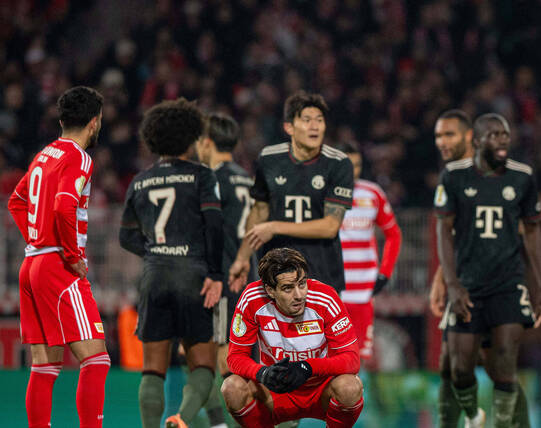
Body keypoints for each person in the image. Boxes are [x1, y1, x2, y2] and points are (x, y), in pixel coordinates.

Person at [435, 113, 541, 428]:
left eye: (505, 135)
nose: (502, 140)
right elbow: (444, 231)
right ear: (476, 141)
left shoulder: (522, 177)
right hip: (468, 285)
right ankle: (473, 416)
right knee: (459, 369)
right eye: (494, 135)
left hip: (508, 285)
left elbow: (533, 232)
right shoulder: (454, 176)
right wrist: (452, 283)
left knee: (504, 364)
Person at [8, 86, 110, 428]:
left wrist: (37, 238)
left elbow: (16, 201)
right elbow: (65, 204)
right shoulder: (80, 157)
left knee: (45, 364)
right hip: (56, 267)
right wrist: (70, 254)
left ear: (63, 119)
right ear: (94, 123)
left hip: (32, 264)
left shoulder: (44, 154)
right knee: (96, 359)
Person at [118, 98, 224, 428]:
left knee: (153, 369)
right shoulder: (202, 176)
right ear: (191, 137)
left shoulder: (140, 181)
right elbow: (215, 226)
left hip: (154, 276)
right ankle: (182, 418)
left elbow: (125, 237)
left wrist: (154, 252)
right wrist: (216, 273)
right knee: (203, 366)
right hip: (193, 274)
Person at [221, 247, 364, 427]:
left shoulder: (326, 297)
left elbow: (352, 360)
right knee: (231, 387)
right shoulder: (252, 299)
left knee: (350, 386)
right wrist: (262, 373)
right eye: (288, 288)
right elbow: (235, 357)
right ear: (270, 290)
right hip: (276, 391)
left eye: (302, 283)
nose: (299, 295)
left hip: (321, 390)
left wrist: (308, 367)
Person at [229, 91, 354, 293]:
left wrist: (275, 227)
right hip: (275, 274)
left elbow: (330, 226)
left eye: (319, 120)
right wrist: (243, 258)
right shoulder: (269, 159)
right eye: (306, 120)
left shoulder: (338, 163)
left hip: (321, 275)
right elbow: (259, 212)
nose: (314, 126)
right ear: (289, 127)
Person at [194, 112, 255, 428]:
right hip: (250, 277)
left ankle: (228, 423)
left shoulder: (213, 178)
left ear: (207, 142)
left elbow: (210, 228)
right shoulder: (247, 178)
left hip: (225, 276)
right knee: (239, 353)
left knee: (222, 354)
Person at [336, 141, 402, 362]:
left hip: (364, 290)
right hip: (333, 289)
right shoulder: (322, 193)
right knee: (332, 354)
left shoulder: (372, 193)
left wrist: (385, 273)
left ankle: (359, 398)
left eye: (356, 165)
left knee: (361, 356)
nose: (352, 171)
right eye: (347, 165)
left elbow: (393, 234)